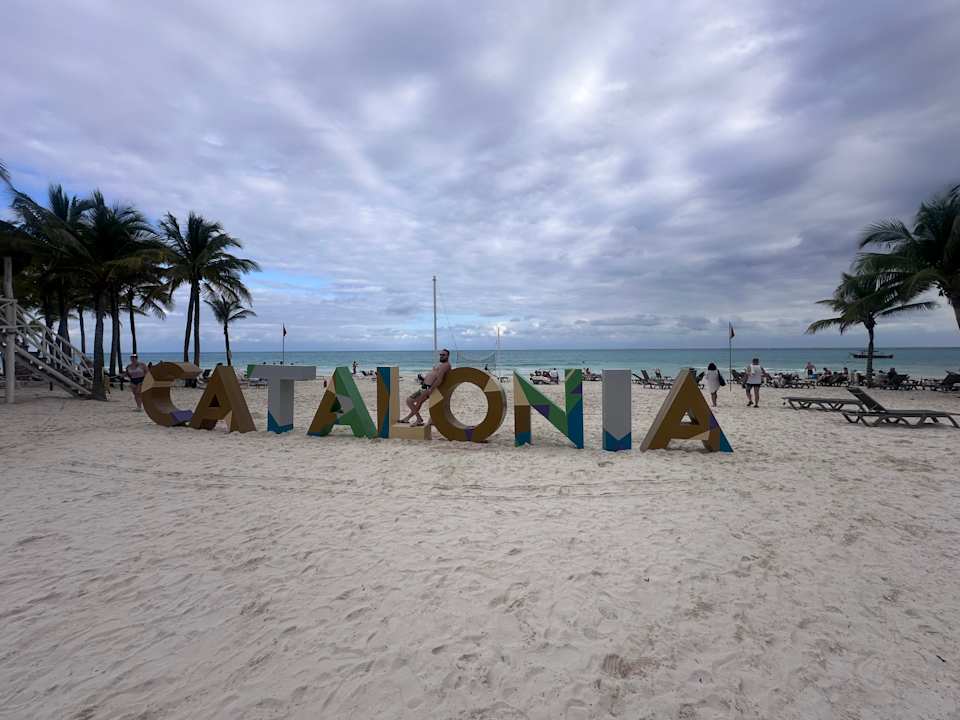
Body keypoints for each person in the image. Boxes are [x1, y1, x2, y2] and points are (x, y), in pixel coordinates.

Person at [399, 348, 452, 426]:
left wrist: (431, 389)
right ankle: (409, 418)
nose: (441, 356)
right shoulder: (441, 365)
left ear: (448, 356)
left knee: (410, 401)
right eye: (440, 354)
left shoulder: (445, 365)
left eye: (443, 355)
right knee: (417, 402)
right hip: (426, 386)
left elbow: (439, 380)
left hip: (427, 387)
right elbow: (434, 377)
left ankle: (418, 419)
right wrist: (423, 379)